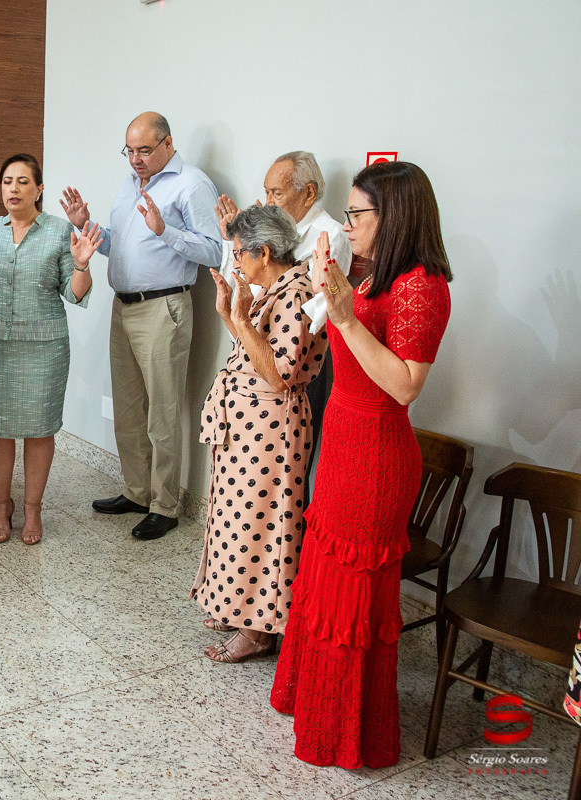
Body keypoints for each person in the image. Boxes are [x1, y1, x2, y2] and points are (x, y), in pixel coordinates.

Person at [270, 161, 453, 768]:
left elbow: (404, 385)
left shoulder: (422, 285)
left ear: (393, 215)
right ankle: (316, 705)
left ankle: (344, 732)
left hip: (375, 455)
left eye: (356, 214)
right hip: (343, 443)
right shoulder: (377, 274)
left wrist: (345, 314)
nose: (347, 224)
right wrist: (330, 293)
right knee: (323, 582)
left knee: (351, 597)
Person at [60, 112, 222, 541]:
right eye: (129, 151)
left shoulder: (191, 185)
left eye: (144, 150)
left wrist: (165, 231)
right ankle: (136, 491)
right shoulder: (129, 185)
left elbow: (216, 251)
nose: (135, 159)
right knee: (129, 408)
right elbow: (119, 244)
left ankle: (165, 505)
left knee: (163, 412)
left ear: (167, 144)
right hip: (124, 307)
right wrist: (85, 226)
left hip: (164, 308)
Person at [189, 205, 328, 663]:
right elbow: (252, 351)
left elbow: (279, 374)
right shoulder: (274, 289)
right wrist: (229, 314)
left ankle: (258, 629)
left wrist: (242, 319)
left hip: (272, 429)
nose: (236, 262)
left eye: (239, 253)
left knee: (261, 525)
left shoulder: (297, 293)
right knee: (234, 520)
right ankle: (236, 607)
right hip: (247, 426)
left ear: (263, 253)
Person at [0, 154, 100, 545]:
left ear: (39, 189)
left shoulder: (59, 232)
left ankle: (33, 509)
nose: (13, 189)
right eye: (7, 181)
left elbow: (75, 294)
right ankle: (1, 506)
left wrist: (82, 265)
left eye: (22, 181)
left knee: (39, 431)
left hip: (44, 348)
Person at [214, 152, 352, 483]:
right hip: (253, 349)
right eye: (266, 192)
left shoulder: (329, 234)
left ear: (309, 192)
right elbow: (242, 287)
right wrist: (236, 240)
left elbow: (311, 313)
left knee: (282, 474)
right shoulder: (268, 233)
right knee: (243, 470)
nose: (268, 201)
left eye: (277, 192)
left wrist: (261, 243)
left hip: (294, 360)